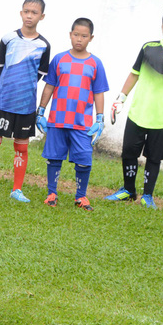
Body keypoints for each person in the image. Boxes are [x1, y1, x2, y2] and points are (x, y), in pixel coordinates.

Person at [105, 9, 163, 209]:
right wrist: (120, 98)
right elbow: (134, 74)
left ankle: (147, 196)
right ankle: (128, 190)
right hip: (138, 113)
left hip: (162, 118)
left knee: (154, 158)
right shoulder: (148, 48)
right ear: (161, 26)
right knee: (129, 152)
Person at [0, 0, 50, 202]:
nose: (29, 15)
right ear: (21, 13)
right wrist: (10, 87)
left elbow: (41, 73)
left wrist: (23, 88)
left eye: (34, 12)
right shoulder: (8, 38)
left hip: (26, 104)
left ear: (42, 16)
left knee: (21, 146)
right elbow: (0, 66)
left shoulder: (44, 45)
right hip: (3, 101)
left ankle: (17, 190)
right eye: (26, 11)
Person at [36, 18, 108, 211]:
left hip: (82, 123)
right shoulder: (59, 59)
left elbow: (99, 92)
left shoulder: (95, 63)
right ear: (70, 34)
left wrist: (100, 118)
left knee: (84, 159)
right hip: (57, 120)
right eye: (76, 34)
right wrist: (41, 111)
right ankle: (52, 193)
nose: (79, 39)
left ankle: (81, 196)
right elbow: (50, 85)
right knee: (54, 158)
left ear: (91, 38)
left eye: (84, 36)